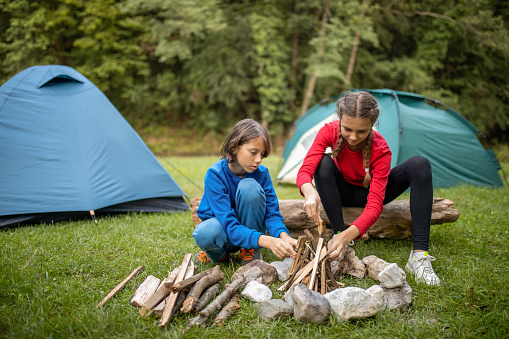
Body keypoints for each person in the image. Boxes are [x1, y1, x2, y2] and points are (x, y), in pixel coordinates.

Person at [297, 91, 440, 285]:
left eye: (361, 131)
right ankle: (340, 236)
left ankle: (418, 256)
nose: (353, 137)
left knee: (420, 164)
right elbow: (305, 171)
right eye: (347, 129)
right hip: (341, 193)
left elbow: (374, 206)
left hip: (371, 193)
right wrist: (310, 192)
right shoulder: (328, 131)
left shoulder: (381, 149)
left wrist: (351, 233)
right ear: (339, 119)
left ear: (372, 125)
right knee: (322, 163)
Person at [193, 118, 297, 266]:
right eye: (253, 152)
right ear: (234, 147)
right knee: (205, 233)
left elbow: (272, 214)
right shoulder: (215, 174)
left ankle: (249, 249)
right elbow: (228, 223)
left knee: (249, 187)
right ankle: (218, 255)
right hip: (226, 231)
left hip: (251, 229)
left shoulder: (262, 174)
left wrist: (283, 236)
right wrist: (267, 241)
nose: (259, 159)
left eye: (262, 154)